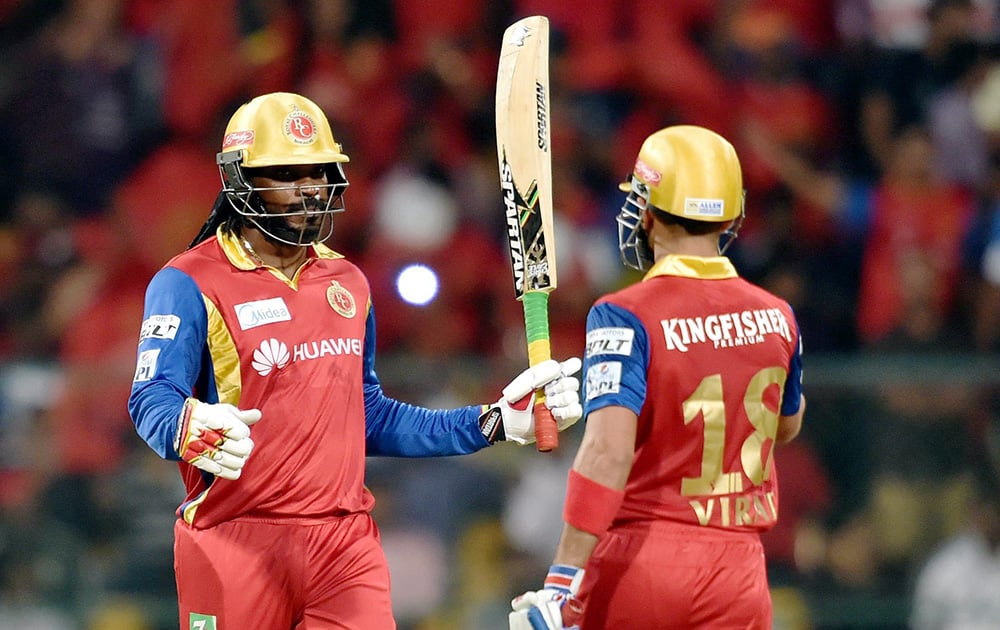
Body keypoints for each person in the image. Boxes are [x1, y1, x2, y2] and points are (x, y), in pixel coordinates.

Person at [127, 91, 583, 630]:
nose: (310, 189)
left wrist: (495, 422)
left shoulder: (347, 281)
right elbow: (150, 397)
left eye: (318, 172)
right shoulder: (186, 282)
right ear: (239, 180)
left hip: (344, 546)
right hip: (235, 539)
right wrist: (187, 423)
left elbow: (368, 415)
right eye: (287, 174)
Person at [509, 125, 806, 629]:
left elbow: (608, 451)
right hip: (740, 571)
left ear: (646, 211)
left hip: (647, 555)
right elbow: (786, 427)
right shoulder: (779, 315)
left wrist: (563, 578)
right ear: (731, 215)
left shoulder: (625, 313)